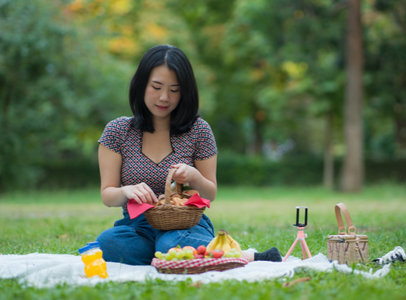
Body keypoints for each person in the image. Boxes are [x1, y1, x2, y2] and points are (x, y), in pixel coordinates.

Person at [96, 44, 281, 265]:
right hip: (138, 226)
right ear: (141, 84)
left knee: (171, 243)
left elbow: (210, 193)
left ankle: (184, 253)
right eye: (156, 87)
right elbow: (107, 195)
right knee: (107, 243)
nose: (164, 97)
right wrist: (127, 190)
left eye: (174, 90)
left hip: (186, 224)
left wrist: (194, 177)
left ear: (185, 92)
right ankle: (184, 256)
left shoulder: (199, 130)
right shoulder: (118, 131)